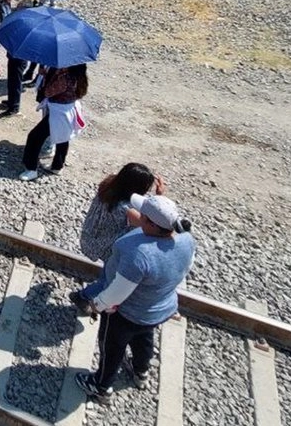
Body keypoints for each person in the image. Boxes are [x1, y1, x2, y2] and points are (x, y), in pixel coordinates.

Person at [73, 194, 194, 400]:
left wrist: (97, 305)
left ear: (153, 225)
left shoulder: (138, 253)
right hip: (157, 309)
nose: (138, 215)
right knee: (144, 340)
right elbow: (184, 269)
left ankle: (101, 385)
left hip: (126, 314)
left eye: (143, 215)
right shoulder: (187, 240)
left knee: (112, 347)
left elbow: (119, 291)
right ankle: (140, 370)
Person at [80, 164, 164, 262]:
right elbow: (151, 227)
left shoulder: (109, 185)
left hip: (89, 236)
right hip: (102, 248)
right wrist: (159, 196)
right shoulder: (125, 209)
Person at [19, 64, 88, 181]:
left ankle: (31, 169)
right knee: (63, 138)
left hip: (58, 112)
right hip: (70, 109)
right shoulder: (79, 76)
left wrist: (46, 77)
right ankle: (57, 166)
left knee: (34, 137)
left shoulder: (64, 78)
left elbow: (48, 92)